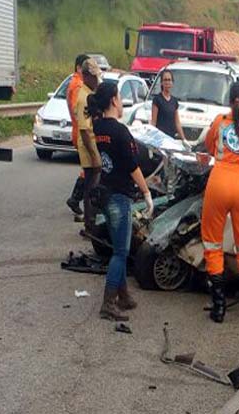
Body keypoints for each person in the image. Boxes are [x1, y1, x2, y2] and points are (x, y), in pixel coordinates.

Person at [89, 82, 154, 321]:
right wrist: (147, 194)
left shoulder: (99, 128)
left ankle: (123, 296)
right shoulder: (120, 132)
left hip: (106, 193)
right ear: (114, 101)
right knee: (120, 251)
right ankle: (108, 303)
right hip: (119, 196)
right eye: (119, 96)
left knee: (120, 246)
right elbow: (132, 167)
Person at [201, 82, 239, 323]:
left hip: (218, 183)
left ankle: (219, 308)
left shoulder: (220, 122)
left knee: (212, 244)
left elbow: (208, 146)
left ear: (230, 101)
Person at [73, 58, 103, 233]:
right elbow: (84, 130)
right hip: (89, 146)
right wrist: (95, 156)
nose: (96, 80)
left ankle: (90, 222)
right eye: (93, 77)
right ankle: (90, 224)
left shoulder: (89, 93)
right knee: (91, 186)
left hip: (91, 144)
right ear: (85, 76)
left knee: (90, 185)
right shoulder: (84, 97)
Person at [66, 54, 90, 221]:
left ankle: (77, 199)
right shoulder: (77, 85)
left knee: (87, 168)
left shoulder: (77, 84)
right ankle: (75, 199)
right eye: (86, 67)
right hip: (81, 131)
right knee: (88, 168)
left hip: (79, 130)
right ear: (79, 68)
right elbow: (77, 109)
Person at [151, 69, 190, 148]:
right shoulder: (157, 100)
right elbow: (153, 122)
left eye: (169, 80)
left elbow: (177, 122)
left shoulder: (174, 101)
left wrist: (184, 139)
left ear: (172, 82)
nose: (167, 82)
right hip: (160, 140)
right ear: (161, 83)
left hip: (171, 139)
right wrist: (151, 139)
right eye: (165, 80)